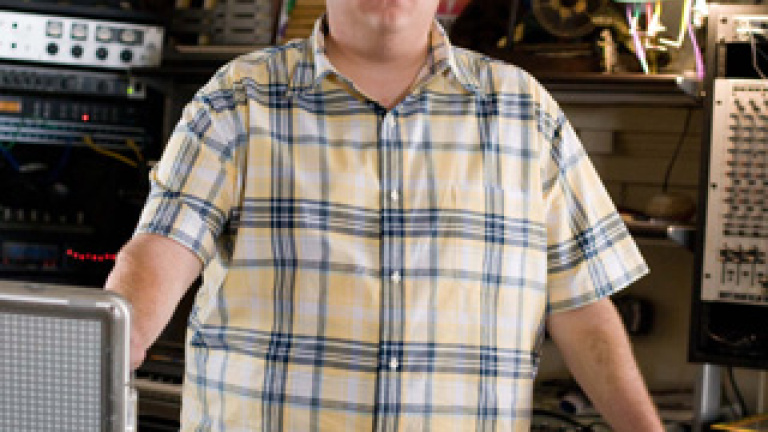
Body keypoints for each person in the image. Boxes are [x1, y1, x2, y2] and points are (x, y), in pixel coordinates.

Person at [106, 0, 665, 430]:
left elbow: (582, 307)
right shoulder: (237, 99)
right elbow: (161, 251)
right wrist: (112, 350)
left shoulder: (525, 112)